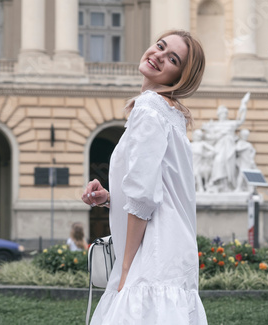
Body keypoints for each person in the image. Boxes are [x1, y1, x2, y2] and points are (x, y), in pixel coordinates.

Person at [81, 29, 207, 324]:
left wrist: (125, 268)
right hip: (174, 253)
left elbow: (143, 196)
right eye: (160, 46)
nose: (158, 56)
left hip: (152, 257)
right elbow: (161, 190)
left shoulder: (149, 108)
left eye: (172, 58)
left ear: (180, 76)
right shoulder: (171, 113)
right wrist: (111, 198)